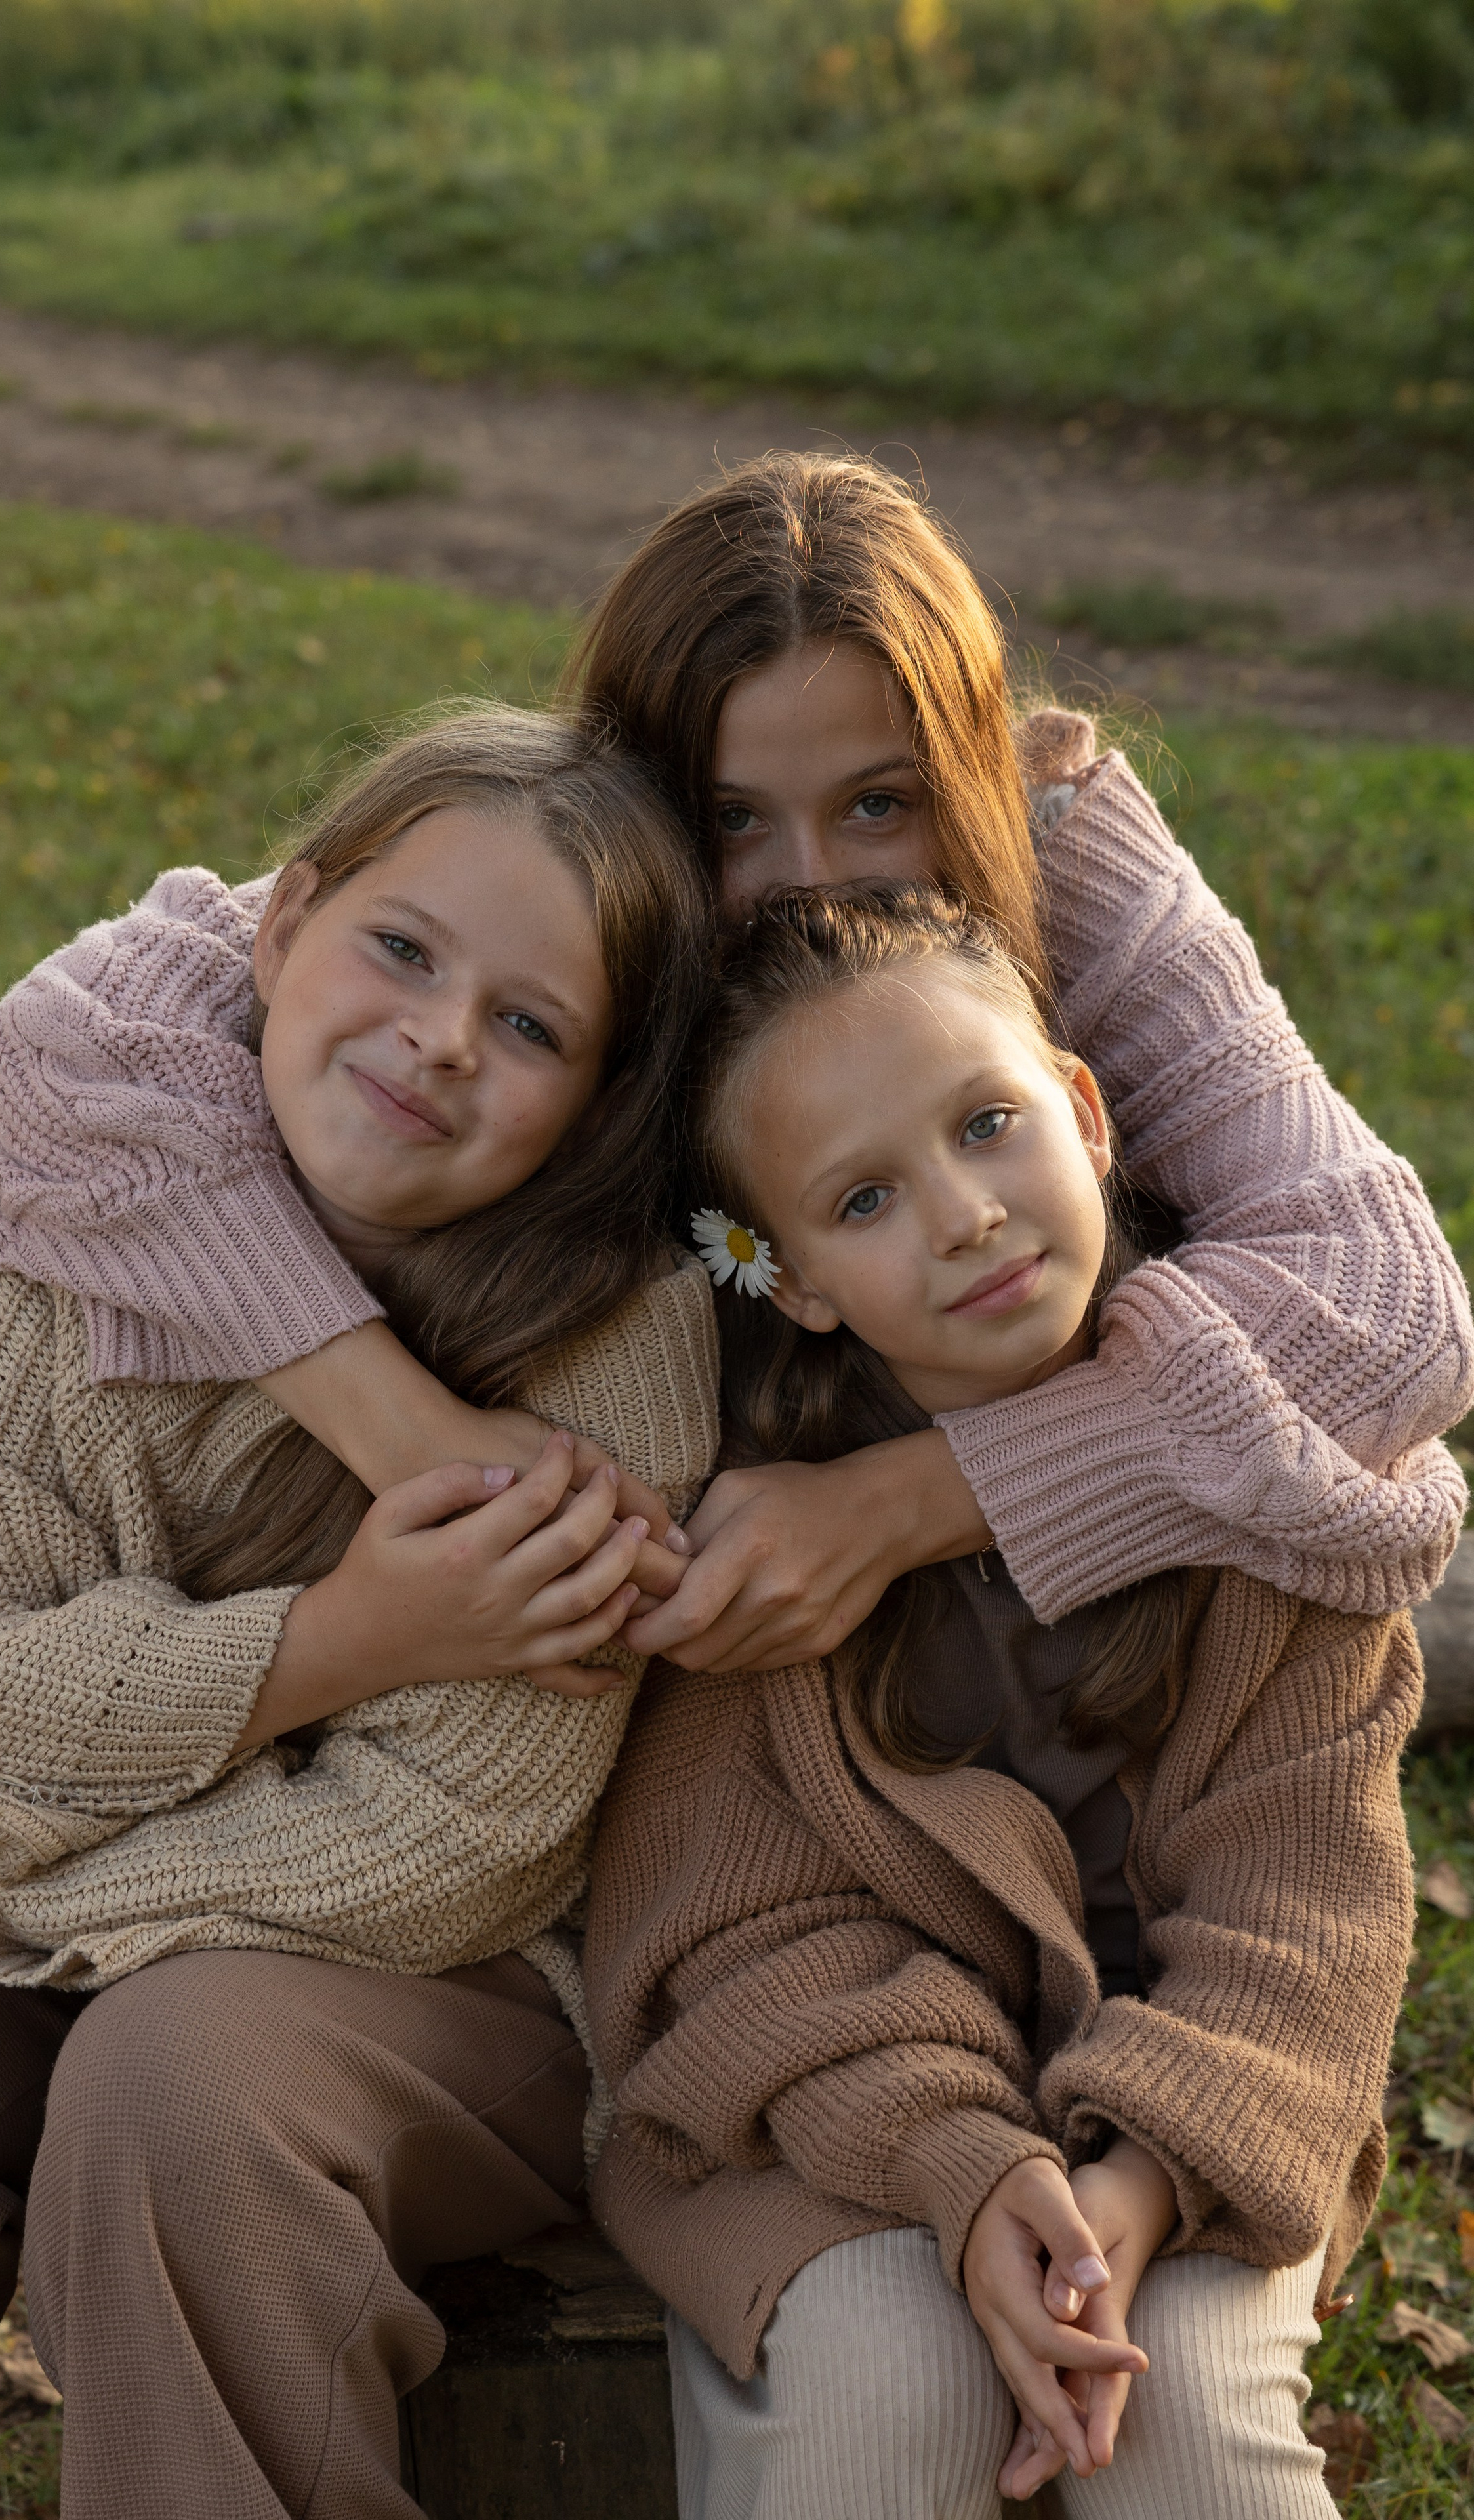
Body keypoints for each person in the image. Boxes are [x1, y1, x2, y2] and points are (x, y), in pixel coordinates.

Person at [0, 454, 1472, 1682]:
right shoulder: (574, 895)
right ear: (645, 790)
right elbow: (73, 1048)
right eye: (732, 819)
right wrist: (395, 1424)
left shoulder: (1065, 855)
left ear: (967, 776)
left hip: (1104, 1557)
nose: (810, 884)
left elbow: (1390, 1309)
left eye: (879, 804)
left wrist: (901, 1507)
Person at [0, 709, 721, 2520]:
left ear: (599, 1100)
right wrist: (338, 1645)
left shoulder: (616, 1348)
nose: (440, 1037)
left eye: (530, 1027)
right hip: (96, 1901)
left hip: (443, 1993)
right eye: (402, 948)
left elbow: (446, 1853)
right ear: (283, 927)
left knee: (181, 2084)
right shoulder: (55, 1218)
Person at [585, 880, 1421, 2520]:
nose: (964, 1216)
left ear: (1085, 1114)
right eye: (864, 1197)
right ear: (793, 1280)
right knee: (877, 2390)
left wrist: (1142, 2181)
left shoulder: (1264, 1467)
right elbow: (737, 1932)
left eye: (987, 1125)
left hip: (1206, 2110)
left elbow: (1308, 1903)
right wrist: (965, 2167)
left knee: (1187, 2420)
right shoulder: (759, 1530)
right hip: (840, 2123)